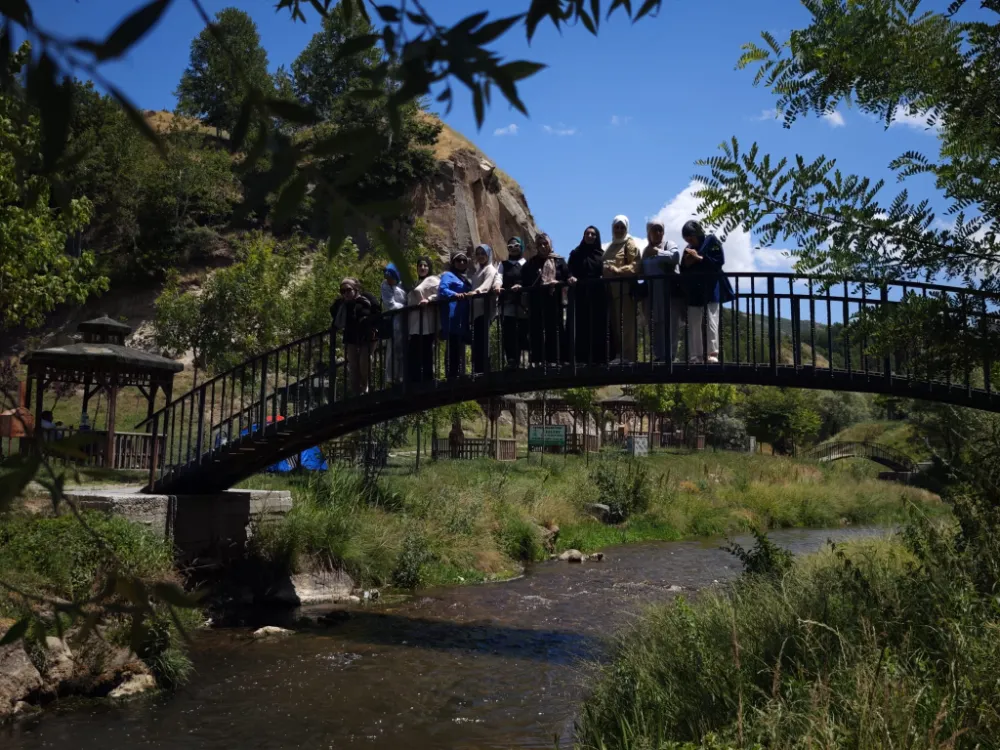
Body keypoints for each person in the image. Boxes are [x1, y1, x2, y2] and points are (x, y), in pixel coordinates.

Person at [680, 220, 735, 363]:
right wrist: (687, 262)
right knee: (694, 322)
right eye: (687, 238)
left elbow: (719, 262)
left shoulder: (712, 241)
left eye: (691, 237)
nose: (689, 241)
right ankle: (696, 356)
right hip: (694, 290)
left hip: (711, 287)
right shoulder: (688, 248)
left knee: (712, 320)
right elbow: (683, 269)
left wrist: (698, 258)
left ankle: (712, 353)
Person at [639, 219, 683, 362]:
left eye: (660, 230)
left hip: (669, 292)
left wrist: (658, 252)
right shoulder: (645, 251)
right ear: (649, 233)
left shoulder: (669, 245)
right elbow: (641, 271)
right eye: (654, 230)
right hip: (652, 293)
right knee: (655, 323)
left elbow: (675, 257)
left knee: (671, 323)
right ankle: (659, 356)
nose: (658, 233)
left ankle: (670, 356)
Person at [522, 232, 569, 364]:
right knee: (536, 330)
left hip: (554, 301)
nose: (543, 246)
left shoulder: (559, 261)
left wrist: (558, 283)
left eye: (545, 243)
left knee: (555, 329)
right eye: (540, 244)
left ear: (550, 244)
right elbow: (524, 280)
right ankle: (538, 361)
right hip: (536, 302)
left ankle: (556, 360)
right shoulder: (531, 263)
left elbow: (567, 276)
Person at [330, 278, 381, 396]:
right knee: (353, 364)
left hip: (367, 334)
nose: (345, 293)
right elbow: (334, 313)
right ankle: (356, 392)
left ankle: (365, 386)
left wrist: (373, 325)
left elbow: (377, 310)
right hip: (351, 335)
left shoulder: (366, 297)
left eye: (348, 290)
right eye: (342, 291)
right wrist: (342, 303)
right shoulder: (342, 304)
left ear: (356, 288)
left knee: (364, 360)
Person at [602, 215, 641, 363]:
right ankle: (619, 355)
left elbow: (636, 265)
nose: (619, 230)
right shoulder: (611, 246)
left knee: (627, 325)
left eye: (622, 227)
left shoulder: (629, 243)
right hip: (611, 292)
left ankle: (629, 357)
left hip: (625, 290)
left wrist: (618, 270)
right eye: (616, 227)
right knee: (615, 325)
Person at [567, 225, 607, 364]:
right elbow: (569, 270)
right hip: (581, 294)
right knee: (581, 325)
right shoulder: (576, 254)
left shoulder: (601, 255)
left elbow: (604, 271)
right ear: (583, 236)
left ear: (597, 237)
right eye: (587, 234)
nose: (590, 236)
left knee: (598, 325)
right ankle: (581, 358)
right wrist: (571, 277)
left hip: (598, 295)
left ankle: (599, 359)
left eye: (593, 234)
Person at [439, 252, 473, 378]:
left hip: (464, 316)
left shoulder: (466, 278)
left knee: (461, 344)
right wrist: (454, 294)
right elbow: (442, 289)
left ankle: (461, 372)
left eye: (464, 260)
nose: (462, 263)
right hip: (453, 314)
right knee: (453, 343)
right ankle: (452, 374)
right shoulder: (448, 275)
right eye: (458, 260)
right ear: (453, 263)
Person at [468, 243, 501, 373]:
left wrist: (476, 292)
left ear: (488, 255)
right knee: (477, 341)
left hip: (484, 310)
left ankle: (484, 370)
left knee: (482, 341)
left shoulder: (489, 269)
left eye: (483, 253)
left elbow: (486, 286)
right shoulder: (478, 271)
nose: (480, 256)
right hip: (477, 311)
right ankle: (478, 369)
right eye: (478, 254)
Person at [407, 256, 440, 383]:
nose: (422, 267)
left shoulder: (432, 280)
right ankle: (415, 381)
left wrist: (429, 299)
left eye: (425, 265)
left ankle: (427, 380)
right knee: (414, 352)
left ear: (429, 268)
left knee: (426, 351)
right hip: (414, 322)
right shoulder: (415, 283)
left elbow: (441, 293)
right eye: (420, 265)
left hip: (426, 322)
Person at [497, 236, 528, 368]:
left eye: (516, 246)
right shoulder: (503, 264)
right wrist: (497, 286)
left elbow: (530, 279)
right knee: (509, 332)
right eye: (510, 247)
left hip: (523, 304)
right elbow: (498, 277)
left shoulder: (527, 264)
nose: (513, 249)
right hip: (508, 303)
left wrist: (521, 286)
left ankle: (525, 361)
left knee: (523, 332)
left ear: (521, 247)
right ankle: (511, 360)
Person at [380, 263, 408, 383]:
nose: (388, 280)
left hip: (406, 320)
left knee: (404, 348)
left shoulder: (404, 285)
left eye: (390, 278)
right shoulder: (385, 286)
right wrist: (405, 307)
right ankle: (392, 376)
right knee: (393, 349)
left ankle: (403, 375)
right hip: (394, 320)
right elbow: (390, 304)